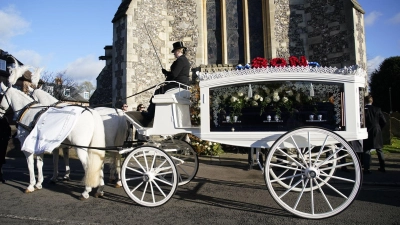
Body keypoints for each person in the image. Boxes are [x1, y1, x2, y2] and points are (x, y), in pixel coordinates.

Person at [142, 41, 191, 120]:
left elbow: (174, 74)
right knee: (161, 90)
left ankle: (150, 113)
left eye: (174, 52)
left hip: (178, 84)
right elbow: (176, 73)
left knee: (158, 91)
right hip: (181, 83)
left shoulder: (180, 61)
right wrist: (166, 73)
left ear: (178, 51)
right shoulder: (184, 60)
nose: (174, 54)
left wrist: (166, 80)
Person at [363, 95, 386, 174]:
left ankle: (366, 168)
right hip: (376, 129)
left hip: (367, 130)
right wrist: (379, 128)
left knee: (366, 149)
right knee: (379, 149)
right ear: (372, 101)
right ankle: (382, 167)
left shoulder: (363, 110)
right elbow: (384, 121)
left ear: (365, 101)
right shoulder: (377, 109)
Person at [0, 117, 11, 183]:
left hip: (2, 141)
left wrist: (8, 136)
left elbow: (8, 128)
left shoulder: (4, 118)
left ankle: (0, 176)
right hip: (2, 140)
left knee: (1, 159)